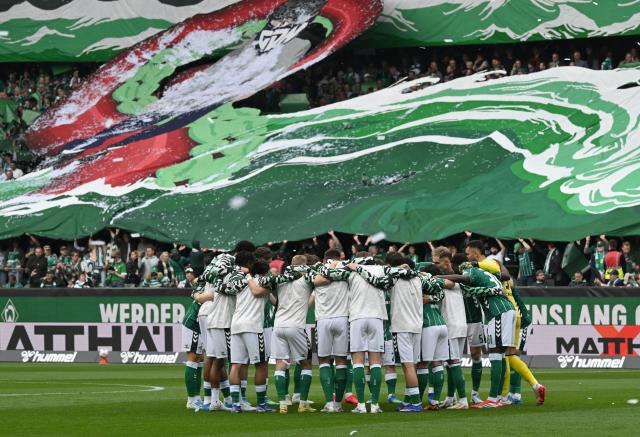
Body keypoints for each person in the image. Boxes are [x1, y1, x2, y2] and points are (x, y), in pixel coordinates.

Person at [268, 255, 327, 414]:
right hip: (296, 326)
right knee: (306, 363)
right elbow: (324, 280)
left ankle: (282, 403)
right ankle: (302, 403)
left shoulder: (280, 280)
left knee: (280, 364)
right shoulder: (307, 279)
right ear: (304, 265)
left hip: (278, 326)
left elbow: (273, 299)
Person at [225, 252, 273, 413]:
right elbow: (261, 293)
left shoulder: (241, 282)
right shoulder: (263, 281)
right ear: (265, 272)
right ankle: (261, 404)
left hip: (236, 325)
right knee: (260, 364)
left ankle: (236, 404)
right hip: (253, 326)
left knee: (236, 364)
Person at [312, 249, 351, 412]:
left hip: (323, 319)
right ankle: (339, 404)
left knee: (324, 360)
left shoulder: (317, 271)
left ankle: (329, 403)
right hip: (342, 318)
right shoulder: (346, 270)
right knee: (342, 360)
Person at [432, 247, 468, 409]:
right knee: (453, 364)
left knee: (453, 363)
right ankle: (450, 397)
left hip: (451, 324)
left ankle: (463, 400)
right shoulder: (458, 279)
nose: (435, 265)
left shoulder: (446, 280)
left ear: (446, 262)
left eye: (437, 262)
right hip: (461, 324)